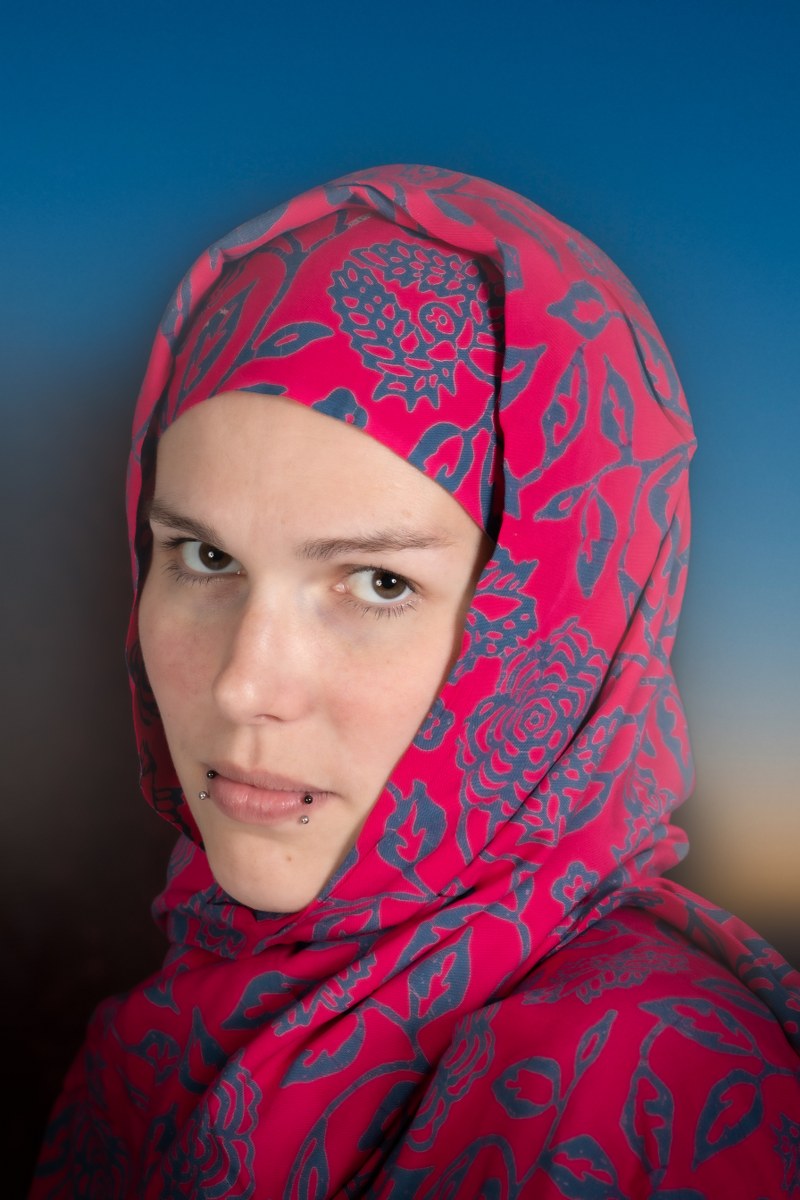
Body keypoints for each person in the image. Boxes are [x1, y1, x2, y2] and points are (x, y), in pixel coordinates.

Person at [30, 165, 800, 1198]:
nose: (243, 686)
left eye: (378, 583)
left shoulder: (653, 1091)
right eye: (205, 559)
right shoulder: (183, 1010)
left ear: (559, 632)